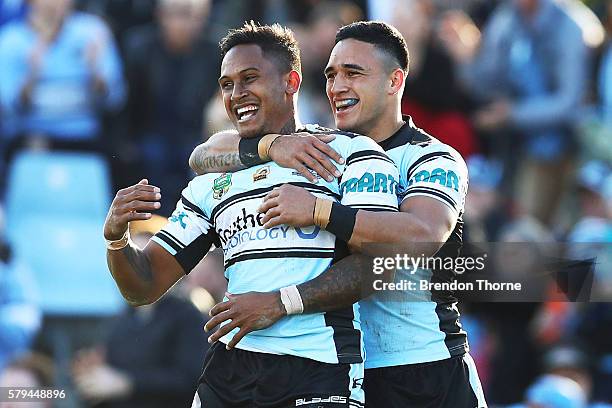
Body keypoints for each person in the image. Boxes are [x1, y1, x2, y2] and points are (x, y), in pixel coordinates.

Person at [189, 21, 486, 407]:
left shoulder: (432, 156)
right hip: (344, 370)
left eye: (353, 73)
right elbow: (203, 155)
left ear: (395, 81)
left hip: (426, 368)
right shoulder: (323, 147)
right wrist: (270, 146)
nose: (337, 86)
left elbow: (421, 236)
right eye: (331, 74)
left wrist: (320, 210)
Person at [103, 22, 400, 407]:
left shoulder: (352, 155)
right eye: (226, 84)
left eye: (249, 79)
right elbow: (142, 286)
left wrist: (281, 302)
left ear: (291, 82)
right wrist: (116, 239)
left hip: (318, 369)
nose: (236, 94)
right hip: (229, 376)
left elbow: (382, 263)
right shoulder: (212, 183)